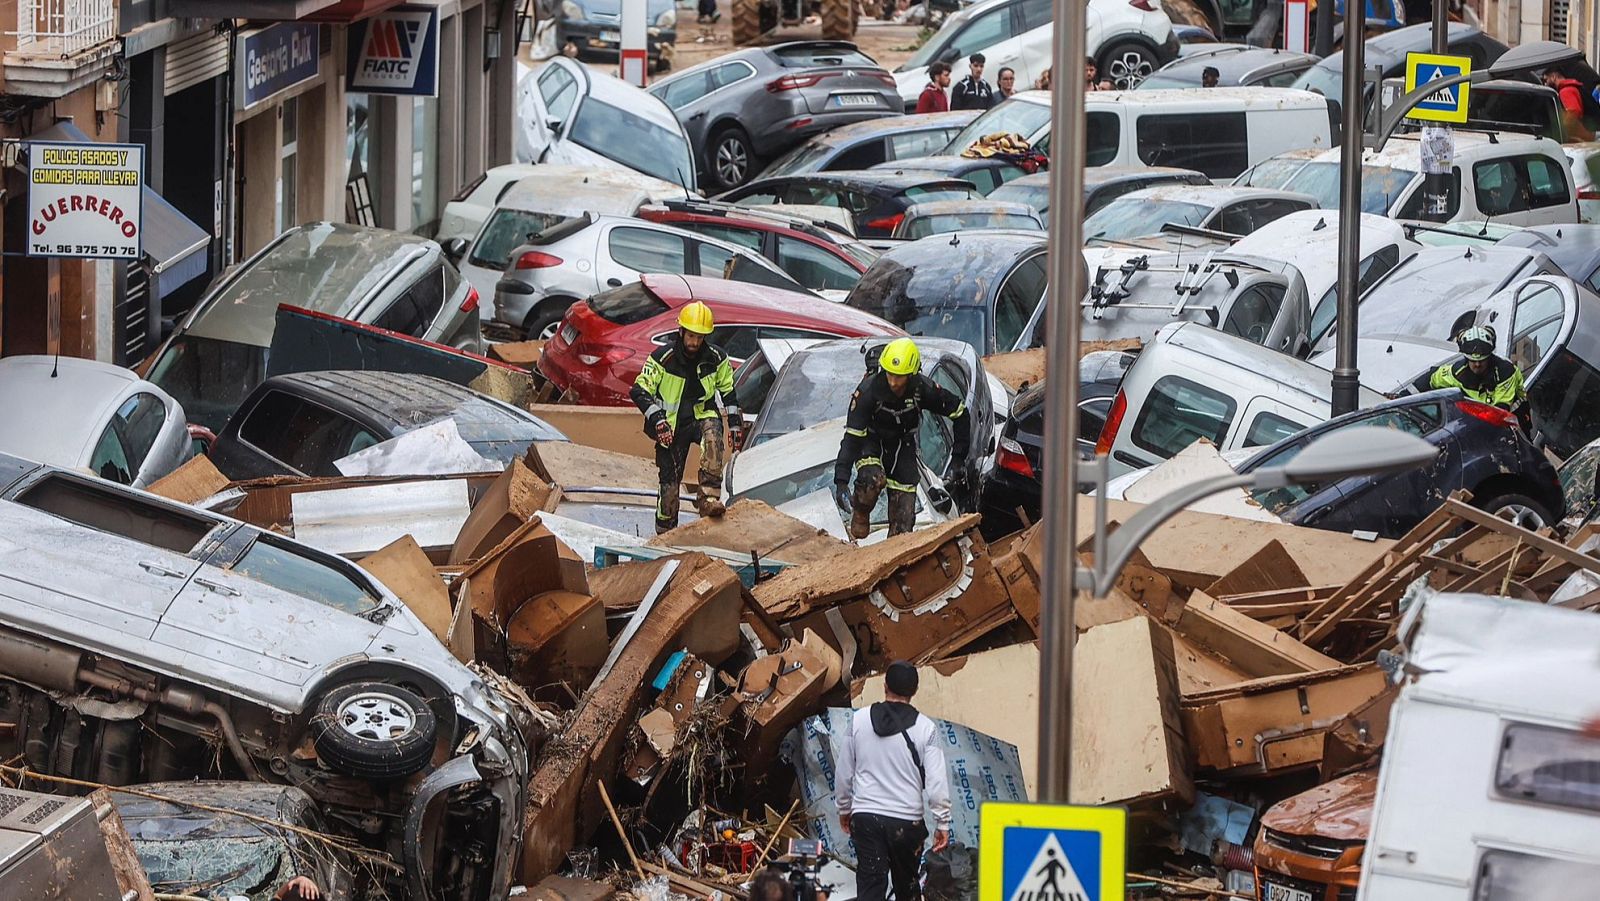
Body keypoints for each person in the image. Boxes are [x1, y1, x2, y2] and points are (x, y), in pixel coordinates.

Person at [835, 661, 950, 901]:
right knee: (907, 889)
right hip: (906, 823)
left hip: (866, 818)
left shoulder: (859, 720)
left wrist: (844, 809)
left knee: (870, 888)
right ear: (914, 691)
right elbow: (936, 782)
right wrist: (942, 822)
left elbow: (844, 771)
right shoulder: (926, 729)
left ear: (884, 685)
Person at [834, 339, 970, 539]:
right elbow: (852, 439)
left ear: (912, 374)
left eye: (899, 376)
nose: (893, 382)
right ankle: (861, 511)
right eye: (889, 374)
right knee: (873, 478)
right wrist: (841, 481)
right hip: (871, 442)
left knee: (904, 521)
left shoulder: (922, 389)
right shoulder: (867, 392)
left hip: (902, 445)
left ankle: (896, 551)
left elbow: (960, 412)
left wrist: (958, 457)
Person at [631, 300, 737, 534]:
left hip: (701, 416)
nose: (694, 342)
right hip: (670, 426)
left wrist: (735, 425)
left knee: (713, 437)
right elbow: (639, 390)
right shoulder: (663, 358)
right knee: (669, 488)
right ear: (681, 331)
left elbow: (728, 390)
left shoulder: (716, 358)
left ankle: (708, 499)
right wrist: (658, 420)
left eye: (699, 337)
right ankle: (665, 531)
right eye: (691, 336)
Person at [1430, 325, 1528, 414]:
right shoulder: (1456, 373)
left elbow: (1501, 409)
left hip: (1514, 416)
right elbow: (1432, 379)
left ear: (1489, 357)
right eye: (1473, 361)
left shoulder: (1506, 372)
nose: (1477, 364)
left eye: (1482, 360)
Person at [1542, 66, 1597, 141]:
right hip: (1591, 134)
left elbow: (1573, 112)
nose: (1545, 84)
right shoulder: (1576, 87)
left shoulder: (1566, 91)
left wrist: (1562, 129)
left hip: (1583, 138)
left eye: (1546, 80)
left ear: (1553, 77)